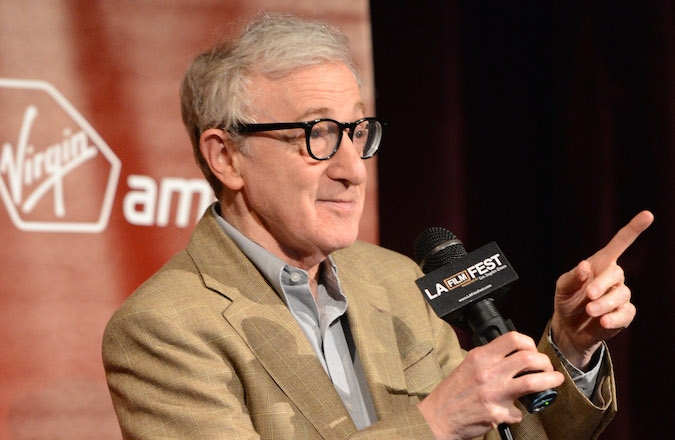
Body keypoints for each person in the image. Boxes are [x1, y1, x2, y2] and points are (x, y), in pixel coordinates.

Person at [102, 13, 654, 440]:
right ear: (226, 157)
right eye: (317, 134)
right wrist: (431, 424)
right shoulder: (161, 328)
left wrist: (570, 347)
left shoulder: (394, 279)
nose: (350, 169)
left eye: (356, 131)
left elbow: (509, 436)